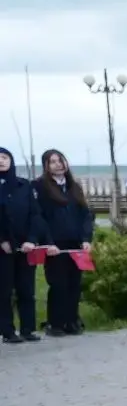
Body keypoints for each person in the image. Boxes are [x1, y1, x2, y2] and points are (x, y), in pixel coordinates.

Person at [33, 150, 93, 336]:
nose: (58, 164)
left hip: (75, 243)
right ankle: (55, 323)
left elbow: (86, 215)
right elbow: (38, 217)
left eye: (61, 160)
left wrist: (86, 239)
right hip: (55, 245)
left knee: (74, 283)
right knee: (58, 284)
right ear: (46, 166)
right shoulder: (40, 187)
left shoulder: (74, 187)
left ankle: (71, 321)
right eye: (53, 161)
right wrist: (47, 242)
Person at [0, 147, 44, 343]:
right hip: (3, 249)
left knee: (26, 289)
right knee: (4, 291)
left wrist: (32, 239)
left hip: (25, 246)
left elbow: (35, 214)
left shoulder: (23, 185)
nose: (1, 161)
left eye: (4, 157)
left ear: (11, 160)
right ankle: (7, 331)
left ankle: (28, 328)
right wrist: (2, 241)